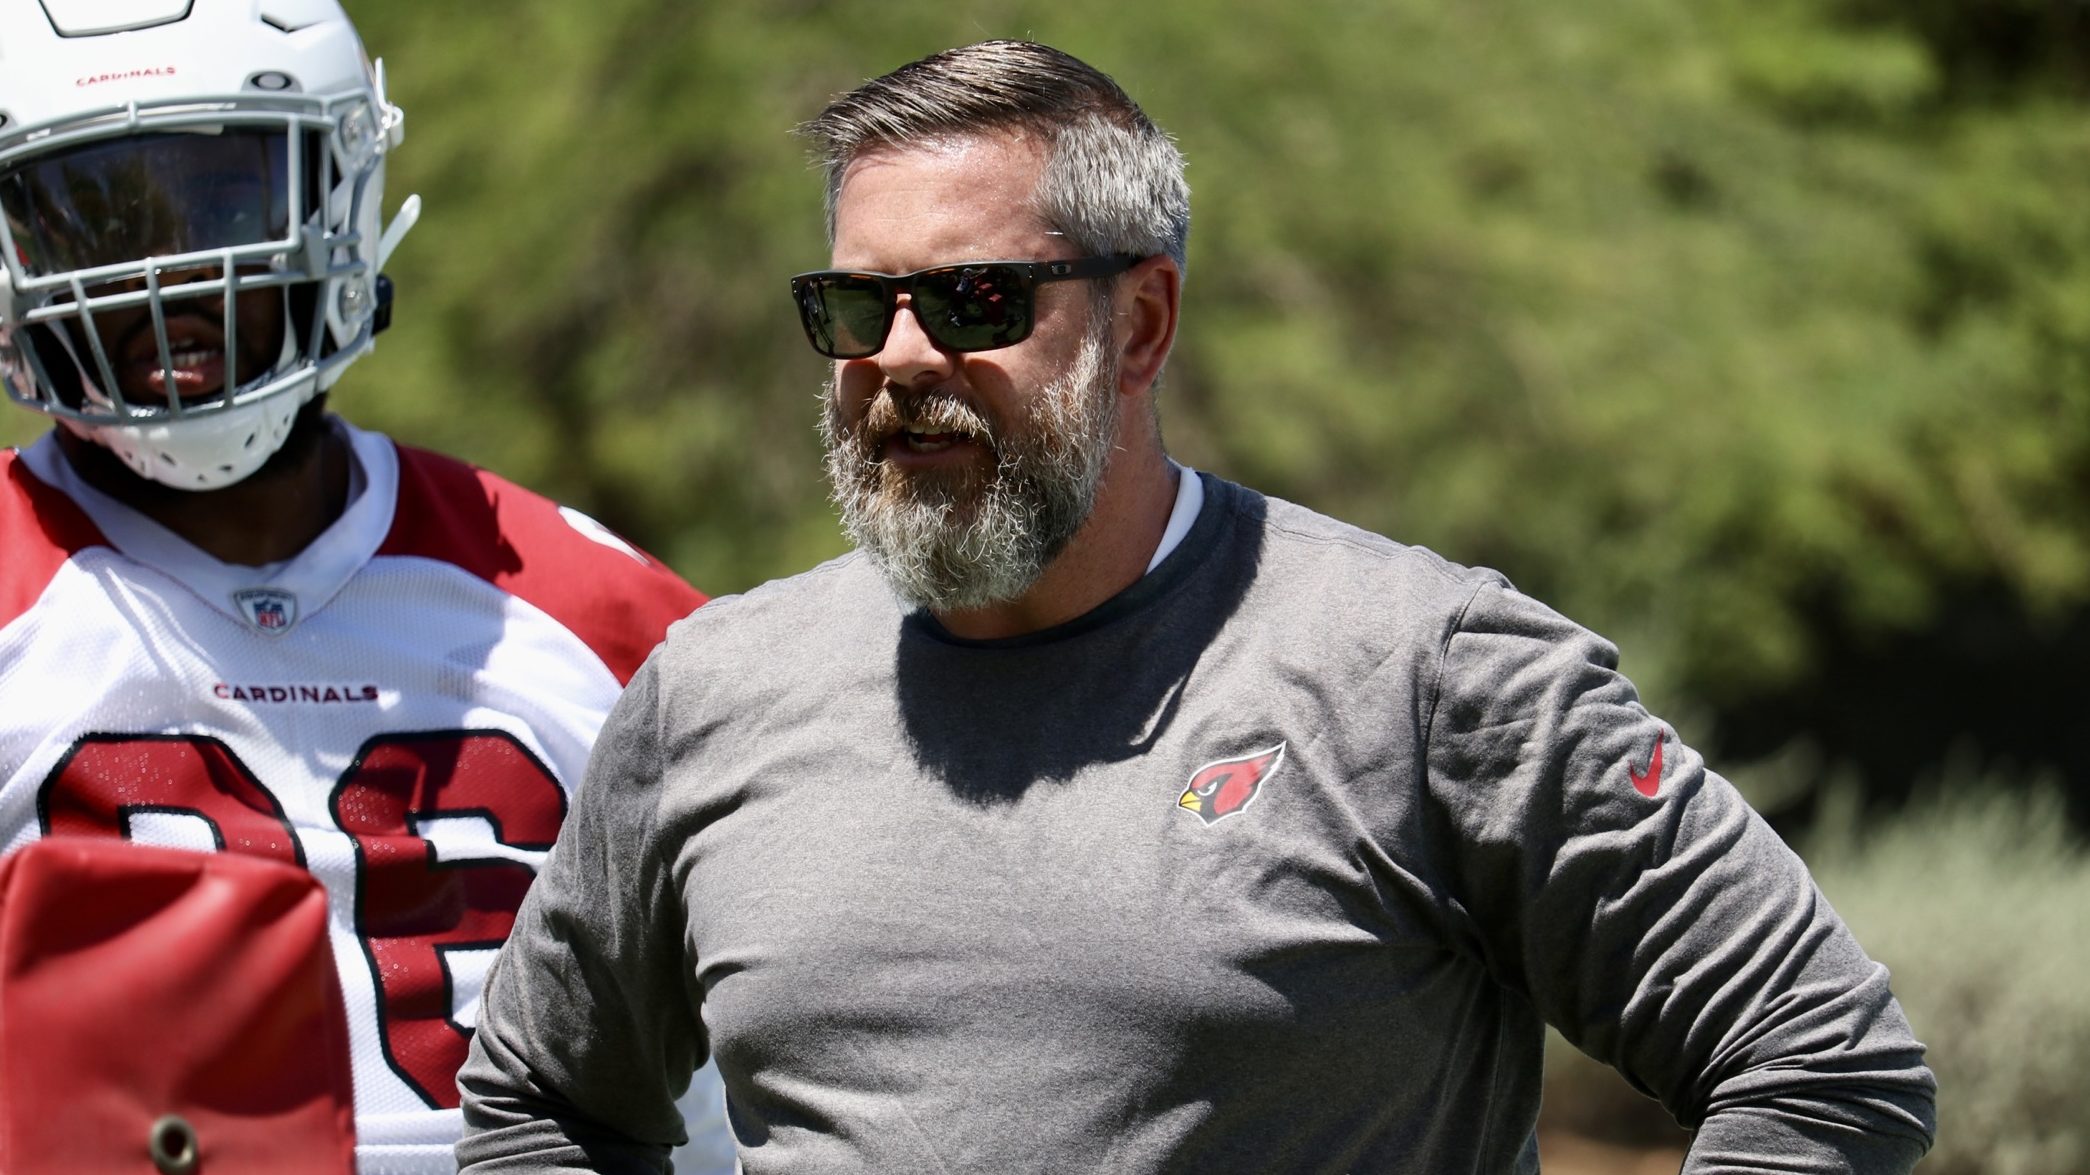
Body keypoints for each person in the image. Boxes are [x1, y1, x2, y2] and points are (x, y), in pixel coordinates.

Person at [456, 39, 1937, 1174]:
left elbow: (1819, 1058)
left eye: (975, 303)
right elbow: (540, 1104)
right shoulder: (713, 690)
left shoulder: (1426, 674)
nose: (895, 358)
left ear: (1142, 321)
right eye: (854, 308)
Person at [0, 2, 732, 1172]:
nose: (161, 272)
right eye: (93, 214)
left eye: (218, 200)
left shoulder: (603, 614)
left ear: (333, 194)